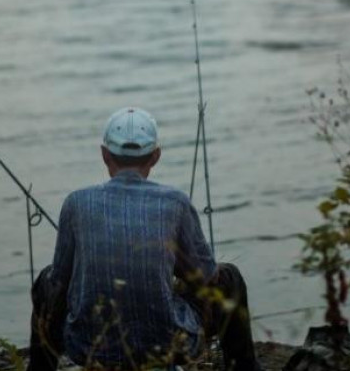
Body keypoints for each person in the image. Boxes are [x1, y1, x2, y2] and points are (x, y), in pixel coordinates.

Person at [29, 107, 261, 371]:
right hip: (172, 347)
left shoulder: (76, 202)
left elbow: (59, 280)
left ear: (105, 155)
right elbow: (207, 278)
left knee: (45, 282)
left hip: (86, 347)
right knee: (230, 279)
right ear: (156, 156)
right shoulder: (175, 203)